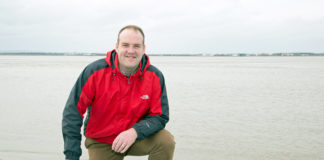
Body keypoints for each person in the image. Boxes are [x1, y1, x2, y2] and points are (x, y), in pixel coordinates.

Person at [62, 25, 175, 160]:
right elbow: (72, 113)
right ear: (117, 46)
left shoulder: (154, 76)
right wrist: (71, 156)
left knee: (165, 140)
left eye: (136, 46)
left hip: (136, 138)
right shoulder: (94, 72)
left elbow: (160, 116)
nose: (131, 51)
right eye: (125, 45)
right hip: (101, 141)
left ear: (144, 49)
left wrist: (135, 132)